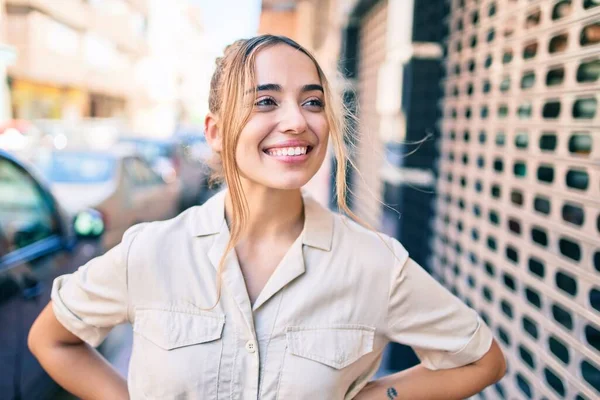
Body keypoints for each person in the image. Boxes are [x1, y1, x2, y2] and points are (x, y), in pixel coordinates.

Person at [28, 35, 506, 399]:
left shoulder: (373, 262)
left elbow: (479, 361)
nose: (297, 119)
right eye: (266, 101)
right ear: (215, 133)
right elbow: (53, 340)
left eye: (313, 101)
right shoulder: (151, 250)